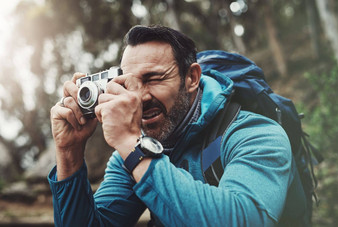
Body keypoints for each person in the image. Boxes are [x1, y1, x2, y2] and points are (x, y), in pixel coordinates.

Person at [48, 25, 308, 226]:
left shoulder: (257, 134)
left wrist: (132, 146)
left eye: (153, 79)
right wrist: (69, 154)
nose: (139, 96)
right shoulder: (129, 155)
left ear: (192, 78)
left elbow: (241, 220)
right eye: (131, 82)